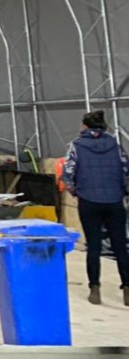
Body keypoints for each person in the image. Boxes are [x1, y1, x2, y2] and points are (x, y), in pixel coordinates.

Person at [61, 109, 129, 306]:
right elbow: (126, 170)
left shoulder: (77, 146)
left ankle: (95, 289)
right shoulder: (115, 146)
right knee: (120, 246)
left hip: (89, 201)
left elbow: (68, 174)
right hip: (114, 201)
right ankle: (126, 288)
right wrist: (122, 192)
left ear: (84, 126)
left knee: (94, 245)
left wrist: (76, 192)